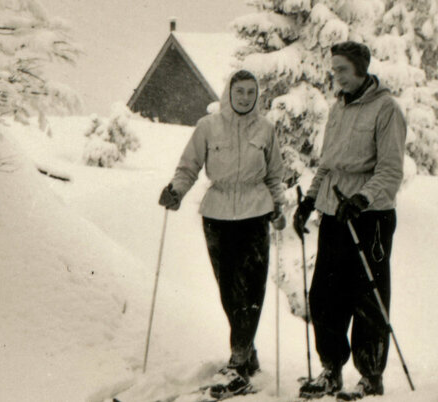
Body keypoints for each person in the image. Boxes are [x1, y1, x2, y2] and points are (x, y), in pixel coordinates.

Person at [159, 70, 286, 397]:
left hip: (255, 212)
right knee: (229, 290)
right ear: (228, 92)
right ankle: (247, 353)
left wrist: (279, 207)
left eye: (250, 92)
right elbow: (188, 166)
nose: (245, 97)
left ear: (257, 95)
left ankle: (238, 360)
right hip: (216, 215)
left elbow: (275, 175)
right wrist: (176, 191)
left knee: (253, 288)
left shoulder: (267, 129)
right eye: (239, 91)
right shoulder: (208, 127)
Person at [293, 41, 407, 400]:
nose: (335, 75)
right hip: (333, 212)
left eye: (341, 68)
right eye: (333, 68)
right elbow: (327, 164)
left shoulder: (386, 109)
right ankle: (331, 370)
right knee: (324, 296)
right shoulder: (337, 109)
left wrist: (361, 199)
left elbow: (390, 171)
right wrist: (310, 201)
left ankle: (370, 376)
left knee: (367, 297)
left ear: (361, 68)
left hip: (369, 217)